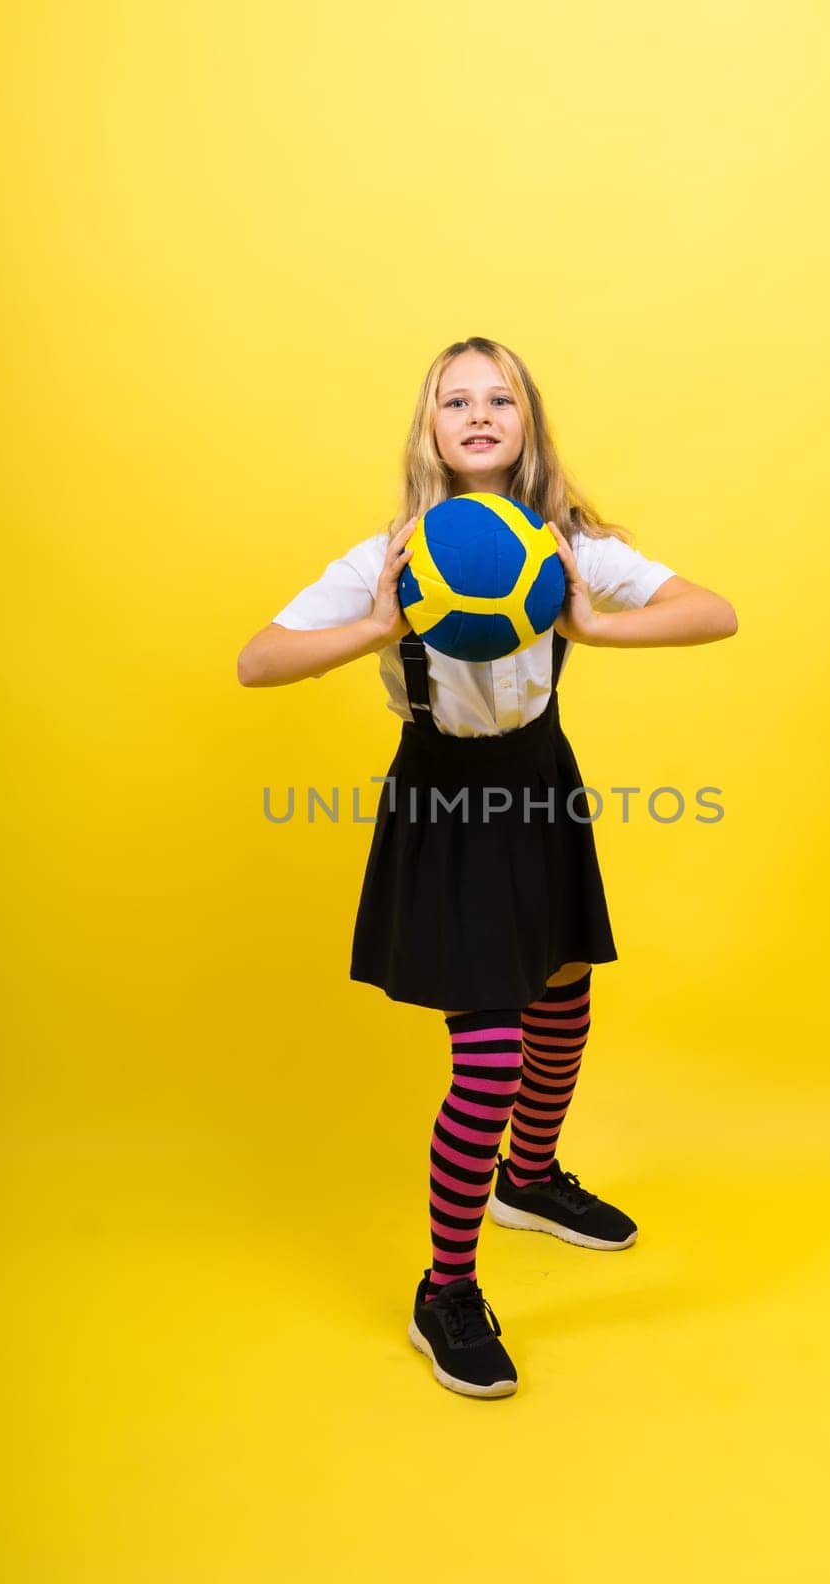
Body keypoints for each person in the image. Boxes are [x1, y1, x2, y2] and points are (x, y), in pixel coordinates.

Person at [237, 335, 738, 1400]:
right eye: (453, 399)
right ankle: (446, 1288)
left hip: (539, 781)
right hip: (447, 795)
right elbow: (258, 658)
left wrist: (595, 622)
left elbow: (713, 611)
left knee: (562, 1000)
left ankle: (532, 1176)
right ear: (428, 427)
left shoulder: (564, 545)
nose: (476, 415)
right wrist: (378, 619)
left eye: (498, 398)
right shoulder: (388, 552)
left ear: (526, 424)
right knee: (490, 1054)